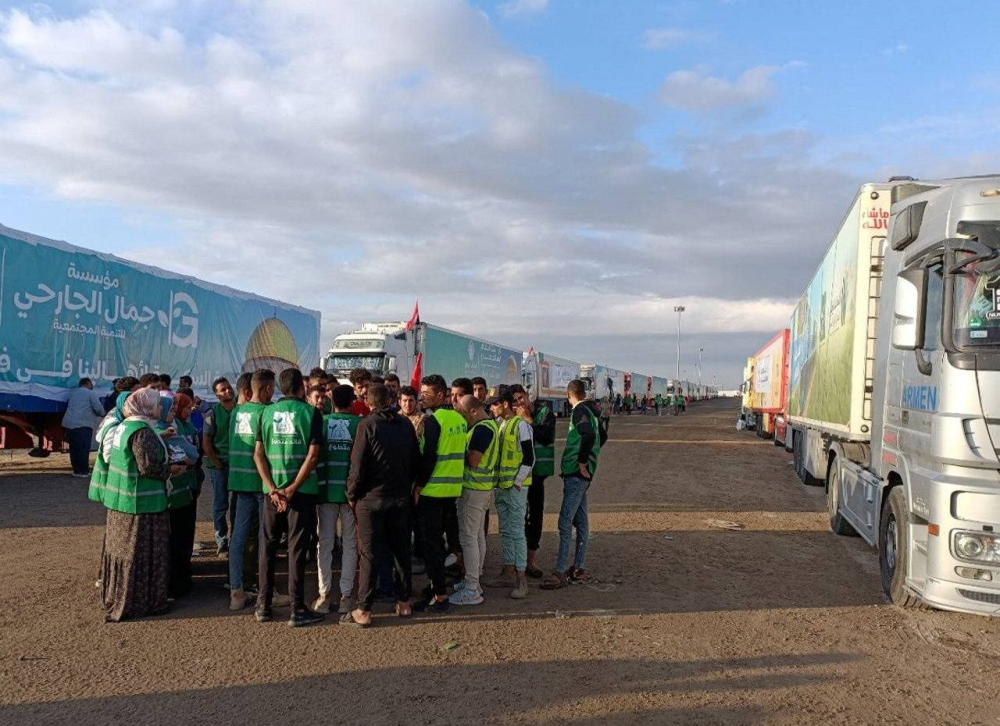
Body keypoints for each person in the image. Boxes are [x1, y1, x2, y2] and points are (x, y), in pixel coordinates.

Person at [99, 388, 186, 622]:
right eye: (157, 405)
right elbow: (149, 466)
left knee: (122, 552)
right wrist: (173, 469)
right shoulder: (141, 431)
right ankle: (142, 601)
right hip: (141, 504)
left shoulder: (125, 426)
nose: (160, 409)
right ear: (146, 407)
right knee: (142, 554)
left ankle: (117, 596)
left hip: (121, 502)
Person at [342, 385, 420, 627]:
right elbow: (416, 460)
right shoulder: (405, 425)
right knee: (401, 551)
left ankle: (364, 609)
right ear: (391, 400)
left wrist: (352, 494)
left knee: (369, 553)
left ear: (368, 402)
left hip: (371, 500)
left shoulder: (367, 425)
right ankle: (404, 602)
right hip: (400, 498)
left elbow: (357, 466)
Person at [254, 368, 325, 627]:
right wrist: (293, 487)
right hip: (301, 492)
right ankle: (297, 609)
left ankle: (263, 605)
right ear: (302, 388)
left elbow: (258, 455)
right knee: (296, 549)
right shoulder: (311, 413)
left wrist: (272, 488)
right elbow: (313, 455)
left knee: (268, 546)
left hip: (271, 494)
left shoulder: (266, 413)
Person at [542, 380, 603, 590]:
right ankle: (578, 567)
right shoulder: (594, 411)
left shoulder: (579, 411)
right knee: (581, 521)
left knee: (565, 521)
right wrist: (591, 457)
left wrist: (582, 461)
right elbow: (602, 436)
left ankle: (560, 571)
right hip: (582, 475)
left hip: (576, 474)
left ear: (569, 396)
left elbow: (589, 434)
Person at [414, 374, 467, 613]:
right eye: (421, 393)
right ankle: (440, 585)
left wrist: (418, 486)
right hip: (452, 489)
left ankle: (440, 595)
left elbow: (429, 457)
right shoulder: (459, 419)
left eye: (426, 393)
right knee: (445, 543)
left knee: (431, 546)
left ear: (440, 394)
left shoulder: (434, 421)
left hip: (432, 490)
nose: (422, 397)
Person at [227, 369, 275, 611]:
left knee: (237, 538)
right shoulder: (267, 413)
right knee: (264, 538)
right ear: (266, 388)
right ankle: (267, 592)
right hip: (260, 482)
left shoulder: (236, 412)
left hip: (238, 481)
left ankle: (236, 592)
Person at [314, 384, 361, 616]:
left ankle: (323, 595)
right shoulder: (359, 425)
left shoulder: (322, 423)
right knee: (350, 544)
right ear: (352, 402)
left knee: (325, 543)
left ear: (332, 401)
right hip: (351, 496)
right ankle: (345, 595)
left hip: (325, 494)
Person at [449, 395, 499, 606]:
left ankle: (471, 589)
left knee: (469, 537)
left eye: (463, 415)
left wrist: (457, 449)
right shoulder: (490, 426)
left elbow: (473, 461)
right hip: (482, 489)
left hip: (473, 489)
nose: (463, 420)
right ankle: (474, 581)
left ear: (473, 411)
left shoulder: (481, 429)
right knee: (477, 536)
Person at [484, 386, 533, 599]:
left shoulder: (521, 426)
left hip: (515, 488)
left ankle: (521, 579)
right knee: (505, 530)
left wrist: (517, 482)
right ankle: (508, 570)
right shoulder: (500, 425)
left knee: (517, 532)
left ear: (504, 404)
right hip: (502, 487)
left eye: (494, 404)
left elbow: (529, 458)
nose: (491, 408)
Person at [512, 384, 555, 579]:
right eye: (515, 401)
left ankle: (530, 560)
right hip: (518, 475)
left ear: (528, 396)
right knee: (517, 516)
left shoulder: (545, 413)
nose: (520, 403)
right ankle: (516, 560)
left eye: (521, 398)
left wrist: (528, 421)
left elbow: (546, 438)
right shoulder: (511, 417)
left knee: (535, 516)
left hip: (536, 476)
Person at [165, 393, 199, 598]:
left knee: (185, 536)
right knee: (175, 538)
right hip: (174, 492)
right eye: (185, 408)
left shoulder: (189, 426)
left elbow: (195, 453)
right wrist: (188, 459)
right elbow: (185, 454)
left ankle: (184, 578)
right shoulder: (172, 428)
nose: (189, 411)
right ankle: (175, 583)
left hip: (188, 487)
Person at [203, 377, 237, 557]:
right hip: (219, 466)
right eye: (222, 390)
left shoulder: (241, 410)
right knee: (220, 503)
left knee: (238, 504)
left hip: (238, 465)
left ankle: (236, 539)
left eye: (228, 387)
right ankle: (221, 540)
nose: (227, 391)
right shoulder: (212, 414)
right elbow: (206, 442)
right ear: (217, 394)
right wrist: (217, 463)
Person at [63, 377, 106, 477]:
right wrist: (104, 413)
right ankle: (83, 471)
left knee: (74, 449)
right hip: (82, 424)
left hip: (69, 424)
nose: (92, 386)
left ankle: (76, 471)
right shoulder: (90, 393)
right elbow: (98, 408)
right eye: (91, 384)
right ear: (87, 383)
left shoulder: (73, 393)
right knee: (83, 448)